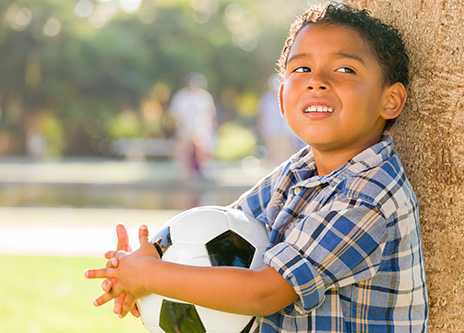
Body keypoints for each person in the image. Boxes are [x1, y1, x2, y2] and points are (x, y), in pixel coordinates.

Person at [85, 2, 429, 332]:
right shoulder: (302, 170)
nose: (317, 81)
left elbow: (264, 292)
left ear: (391, 100)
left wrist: (149, 276)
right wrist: (147, 261)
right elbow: (225, 223)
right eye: (301, 69)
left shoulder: (370, 196)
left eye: (345, 70)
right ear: (282, 98)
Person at [169, 72, 217, 179]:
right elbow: (176, 114)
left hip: (201, 129)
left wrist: (208, 128)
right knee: (184, 152)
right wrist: (182, 127)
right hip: (185, 129)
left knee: (202, 152)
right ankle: (184, 174)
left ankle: (201, 172)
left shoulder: (205, 96)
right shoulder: (181, 96)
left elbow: (210, 113)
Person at [257, 74, 302, 165]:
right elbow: (262, 115)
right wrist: (261, 127)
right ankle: (276, 169)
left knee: (287, 150)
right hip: (271, 129)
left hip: (286, 129)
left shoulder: (288, 97)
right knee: (274, 150)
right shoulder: (266, 99)